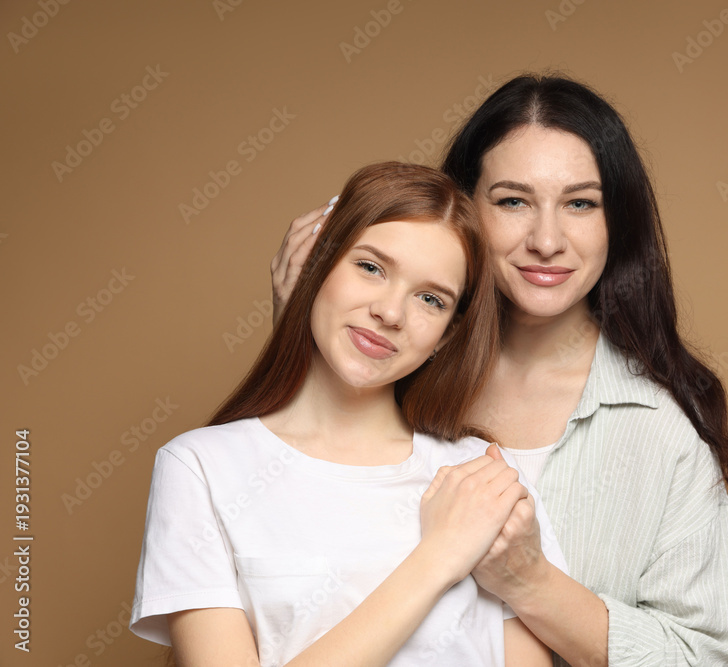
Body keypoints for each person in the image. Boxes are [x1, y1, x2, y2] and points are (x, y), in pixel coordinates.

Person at [272, 74, 728, 666]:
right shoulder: (390, 369)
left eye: (580, 203)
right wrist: (302, 328)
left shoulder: (662, 429)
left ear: (617, 221)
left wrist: (529, 580)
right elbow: (278, 552)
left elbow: (706, 657)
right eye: (512, 201)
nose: (547, 240)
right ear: (463, 209)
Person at [129, 161, 567, 666]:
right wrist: (440, 556)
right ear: (317, 266)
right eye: (371, 268)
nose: (390, 312)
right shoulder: (201, 469)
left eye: (430, 299)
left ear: (446, 336)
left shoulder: (484, 477)